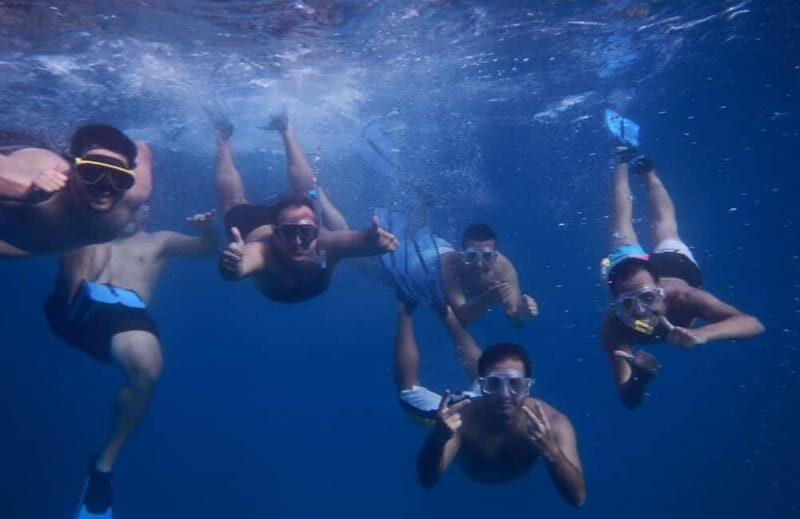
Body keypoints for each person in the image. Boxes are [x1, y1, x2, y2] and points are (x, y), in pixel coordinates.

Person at [43, 205, 218, 518]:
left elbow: (207, 249)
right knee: (88, 235)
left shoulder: (159, 242)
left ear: (147, 213)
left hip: (124, 315)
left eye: (139, 208)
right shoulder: (90, 228)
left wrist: (206, 230)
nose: (133, 213)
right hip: (73, 306)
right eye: (127, 205)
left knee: (148, 369)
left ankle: (103, 466)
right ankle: (77, 301)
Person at [600, 110, 764, 409]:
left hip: (675, 266)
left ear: (660, 290)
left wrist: (701, 335)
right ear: (614, 304)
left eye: (648, 298)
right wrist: (639, 379)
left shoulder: (685, 297)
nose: (640, 311)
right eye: (627, 304)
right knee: (632, 227)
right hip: (635, 271)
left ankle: (642, 169)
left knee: (652, 226)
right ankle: (624, 157)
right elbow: (628, 399)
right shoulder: (613, 328)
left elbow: (753, 324)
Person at [393, 303, 585, 506]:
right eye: (493, 384)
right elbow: (427, 480)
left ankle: (446, 314)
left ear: (527, 388)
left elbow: (578, 498)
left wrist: (553, 452)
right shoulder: (458, 421)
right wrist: (437, 439)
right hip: (469, 406)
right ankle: (407, 308)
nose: (504, 395)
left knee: (494, 374)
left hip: (484, 400)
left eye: (515, 384)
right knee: (407, 390)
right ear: (482, 385)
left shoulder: (551, 424)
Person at [208, 107, 398, 303]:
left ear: (316, 230)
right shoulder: (263, 251)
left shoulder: (327, 245)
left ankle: (282, 127)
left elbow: (359, 240)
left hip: (282, 225)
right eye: (290, 233)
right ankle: (225, 136)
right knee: (237, 202)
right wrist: (231, 265)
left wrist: (377, 243)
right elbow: (239, 268)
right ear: (276, 232)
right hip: (255, 227)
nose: (298, 242)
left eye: (306, 233)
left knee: (307, 193)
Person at [0, 124, 152, 257]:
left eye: (118, 178)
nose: (104, 186)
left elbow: (142, 150)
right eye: (92, 172)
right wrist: (23, 194)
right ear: (71, 168)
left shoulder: (137, 193)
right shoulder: (29, 175)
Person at [440, 223, 538, 326]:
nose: (479, 264)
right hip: (430, 254)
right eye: (471, 256)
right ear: (461, 254)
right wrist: (489, 297)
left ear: (495, 255)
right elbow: (460, 316)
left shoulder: (503, 270)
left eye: (487, 256)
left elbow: (514, 318)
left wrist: (523, 314)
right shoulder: (449, 263)